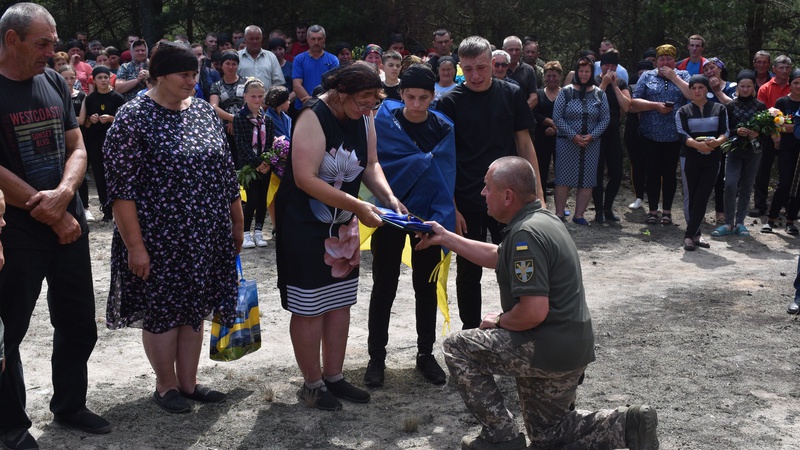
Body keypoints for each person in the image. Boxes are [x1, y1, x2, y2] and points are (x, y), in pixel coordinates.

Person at [415, 156, 659, 450]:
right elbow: (498, 256)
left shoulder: (525, 235)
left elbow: (533, 312)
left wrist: (500, 320)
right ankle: (627, 424)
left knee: (457, 346)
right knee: (547, 436)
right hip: (572, 345)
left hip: (547, 346)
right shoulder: (542, 221)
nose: (482, 194)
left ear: (507, 196)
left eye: (487, 187)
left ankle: (500, 437)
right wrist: (445, 237)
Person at [103, 41, 244, 415]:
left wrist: (236, 221)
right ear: (160, 74)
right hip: (157, 237)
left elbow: (225, 172)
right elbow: (121, 191)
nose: (192, 81)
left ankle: (189, 382)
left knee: (193, 308)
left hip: (204, 234)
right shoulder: (132, 117)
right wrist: (136, 247)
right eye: (184, 74)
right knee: (163, 311)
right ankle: (165, 386)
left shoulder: (201, 111)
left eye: (195, 74)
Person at [0, 4, 112, 448]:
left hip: (67, 224)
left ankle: (69, 405)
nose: (54, 51)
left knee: (79, 322)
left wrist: (66, 194)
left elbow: (77, 143)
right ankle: (10, 425)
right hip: (16, 231)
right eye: (43, 42)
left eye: (54, 41)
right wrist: (48, 208)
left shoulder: (50, 81)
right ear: (12, 40)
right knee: (9, 332)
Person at [274, 61, 403, 411]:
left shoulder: (365, 113)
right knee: (309, 306)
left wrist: (388, 198)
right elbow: (305, 178)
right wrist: (358, 207)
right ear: (340, 92)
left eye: (375, 101)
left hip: (343, 224)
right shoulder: (313, 115)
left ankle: (334, 376)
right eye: (364, 99)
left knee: (339, 301)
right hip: (305, 224)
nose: (369, 107)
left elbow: (371, 164)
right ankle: (312, 385)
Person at [436, 36, 543, 330]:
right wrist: (452, 207)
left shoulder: (511, 93)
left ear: (492, 63)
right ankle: (471, 334)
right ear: (460, 67)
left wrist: (538, 197)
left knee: (515, 265)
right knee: (469, 270)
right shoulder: (449, 102)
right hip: (467, 198)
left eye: (481, 67)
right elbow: (443, 160)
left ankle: (516, 325)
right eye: (468, 69)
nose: (475, 75)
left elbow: (525, 144)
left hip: (510, 199)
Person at [364, 64, 455, 388]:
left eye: (424, 98)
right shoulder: (384, 123)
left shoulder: (444, 128)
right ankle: (377, 358)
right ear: (400, 94)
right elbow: (374, 166)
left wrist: (449, 212)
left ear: (433, 96)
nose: (417, 104)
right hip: (391, 213)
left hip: (428, 215)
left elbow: (446, 176)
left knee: (425, 286)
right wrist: (389, 204)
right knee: (384, 285)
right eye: (411, 97)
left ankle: (425, 354)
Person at [631, 44, 691, 225]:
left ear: (675, 61)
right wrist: (655, 106)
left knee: (670, 174)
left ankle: (667, 211)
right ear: (656, 61)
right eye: (662, 59)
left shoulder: (684, 75)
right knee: (652, 172)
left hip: (674, 134)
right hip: (650, 134)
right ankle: (652, 210)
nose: (665, 62)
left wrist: (675, 78)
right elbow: (635, 102)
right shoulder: (647, 76)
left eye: (669, 58)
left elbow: (692, 97)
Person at [552, 56, 610, 224]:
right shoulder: (566, 91)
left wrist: (592, 136)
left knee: (587, 179)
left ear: (592, 73)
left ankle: (579, 215)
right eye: (581, 71)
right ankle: (559, 213)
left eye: (587, 71)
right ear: (576, 72)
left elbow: (605, 119)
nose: (584, 74)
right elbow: (557, 117)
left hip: (591, 143)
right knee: (563, 177)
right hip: (567, 142)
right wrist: (573, 136)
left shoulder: (599, 93)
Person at [676, 75, 729, 251]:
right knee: (692, 195)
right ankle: (693, 235)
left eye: (700, 87)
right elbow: (682, 134)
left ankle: (690, 236)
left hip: (713, 158)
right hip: (690, 158)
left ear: (707, 89)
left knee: (703, 196)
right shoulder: (683, 111)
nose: (697, 91)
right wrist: (698, 145)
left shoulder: (719, 108)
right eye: (693, 88)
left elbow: (725, 131)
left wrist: (717, 142)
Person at [711, 70, 766, 238]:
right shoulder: (730, 106)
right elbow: (724, 129)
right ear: (737, 88)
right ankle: (728, 223)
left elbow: (766, 128)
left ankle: (740, 223)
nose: (745, 89)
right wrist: (737, 131)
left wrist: (758, 132)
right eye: (742, 86)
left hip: (754, 151)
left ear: (753, 87)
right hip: (734, 150)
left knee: (746, 186)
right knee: (730, 184)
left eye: (749, 86)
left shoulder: (760, 106)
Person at [78, 65, 125, 223]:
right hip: (95, 141)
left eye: (106, 77)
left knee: (115, 175)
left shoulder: (117, 97)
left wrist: (112, 118)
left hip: (114, 142)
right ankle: (106, 210)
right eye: (100, 78)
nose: (103, 80)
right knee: (99, 175)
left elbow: (125, 121)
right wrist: (91, 119)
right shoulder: (90, 98)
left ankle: (119, 210)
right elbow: (84, 121)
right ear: (94, 80)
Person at [751, 55, 793, 217]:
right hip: (768, 134)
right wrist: (775, 132)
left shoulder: (795, 86)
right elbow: (762, 114)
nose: (784, 71)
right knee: (763, 170)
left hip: (790, 135)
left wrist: (782, 129)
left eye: (787, 68)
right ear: (774, 69)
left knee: (787, 171)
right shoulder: (765, 88)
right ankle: (760, 205)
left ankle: (787, 204)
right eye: (780, 68)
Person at [234, 78, 273, 249]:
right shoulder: (239, 119)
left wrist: (268, 162)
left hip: (265, 166)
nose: (257, 100)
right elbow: (241, 145)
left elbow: (270, 143)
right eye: (253, 96)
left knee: (263, 198)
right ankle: (246, 232)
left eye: (260, 96)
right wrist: (257, 163)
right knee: (251, 199)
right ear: (245, 97)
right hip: (248, 166)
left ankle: (258, 230)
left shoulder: (267, 120)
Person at [593, 50, 631, 223]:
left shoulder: (621, 83)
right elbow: (592, 104)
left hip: (614, 132)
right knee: (597, 173)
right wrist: (604, 85)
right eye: (607, 65)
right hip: (596, 134)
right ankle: (598, 210)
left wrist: (614, 86)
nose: (610, 69)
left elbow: (627, 106)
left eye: (613, 66)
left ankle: (608, 207)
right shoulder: (593, 82)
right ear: (601, 66)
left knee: (616, 173)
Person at [761, 69, 800, 235]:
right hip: (786, 148)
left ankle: (791, 219)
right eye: (796, 82)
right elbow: (777, 126)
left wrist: (788, 127)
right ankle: (772, 218)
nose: (799, 86)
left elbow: (784, 125)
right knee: (784, 183)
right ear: (790, 84)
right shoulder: (782, 102)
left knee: (798, 187)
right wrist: (792, 128)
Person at [209, 51, 247, 167]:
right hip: (226, 130)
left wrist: (237, 120)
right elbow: (213, 107)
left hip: (245, 127)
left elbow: (249, 104)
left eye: (234, 64)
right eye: (228, 63)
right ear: (221, 65)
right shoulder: (216, 86)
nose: (231, 67)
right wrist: (232, 119)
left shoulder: (246, 82)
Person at [626, 59, 654, 210]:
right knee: (637, 165)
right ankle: (638, 197)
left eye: (646, 72)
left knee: (653, 166)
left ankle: (653, 197)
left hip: (652, 129)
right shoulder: (631, 83)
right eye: (640, 73)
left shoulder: (657, 84)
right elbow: (630, 106)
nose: (643, 75)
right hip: (633, 129)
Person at [291, 25, 339, 110]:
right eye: (313, 39)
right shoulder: (299, 59)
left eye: (319, 39)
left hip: (326, 107)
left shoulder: (333, 60)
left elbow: (334, 86)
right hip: (303, 107)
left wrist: (319, 102)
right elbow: (296, 85)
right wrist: (311, 102)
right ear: (308, 39)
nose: (316, 42)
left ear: (324, 39)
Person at [533, 61, 562, 198]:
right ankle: (542, 201)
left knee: (561, 173)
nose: (551, 79)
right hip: (541, 136)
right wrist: (550, 123)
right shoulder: (538, 93)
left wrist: (555, 128)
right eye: (548, 75)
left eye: (554, 76)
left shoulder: (566, 94)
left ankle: (560, 206)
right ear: (544, 77)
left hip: (561, 138)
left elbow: (569, 115)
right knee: (541, 171)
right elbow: (535, 113)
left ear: (560, 76)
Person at [237, 25, 285, 91]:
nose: (254, 42)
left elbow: (279, 82)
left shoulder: (271, 57)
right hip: (242, 100)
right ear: (245, 39)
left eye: (257, 38)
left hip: (267, 99)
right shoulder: (237, 57)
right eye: (251, 39)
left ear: (262, 39)